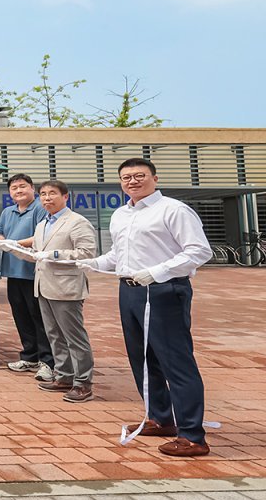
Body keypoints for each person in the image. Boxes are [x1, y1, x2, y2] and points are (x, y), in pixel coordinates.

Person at [81, 159, 214, 457]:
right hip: (130, 291)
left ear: (155, 178)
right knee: (142, 358)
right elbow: (118, 255)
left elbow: (199, 250)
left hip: (164, 291)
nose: (133, 181)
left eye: (139, 175)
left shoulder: (173, 210)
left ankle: (192, 435)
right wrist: (90, 263)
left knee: (176, 362)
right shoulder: (121, 214)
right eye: (126, 177)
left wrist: (157, 272)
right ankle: (161, 418)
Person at [13, 180, 98, 403]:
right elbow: (37, 254)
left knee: (74, 337)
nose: (47, 198)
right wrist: (13, 249)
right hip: (43, 286)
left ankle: (83, 383)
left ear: (65, 196)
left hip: (66, 287)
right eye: (43, 194)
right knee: (54, 335)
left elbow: (87, 253)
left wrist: (55, 255)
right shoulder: (43, 224)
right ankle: (64, 376)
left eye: (52, 193)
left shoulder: (77, 222)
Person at [0, 175, 53, 382]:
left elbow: (41, 236)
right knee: (21, 316)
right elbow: (0, 232)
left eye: (22, 186)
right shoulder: (7, 211)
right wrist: (2, 241)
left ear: (32, 189)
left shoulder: (39, 208)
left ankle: (48, 361)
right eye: (14, 188)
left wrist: (14, 243)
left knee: (39, 316)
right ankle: (29, 356)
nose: (18, 191)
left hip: (33, 272)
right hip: (13, 271)